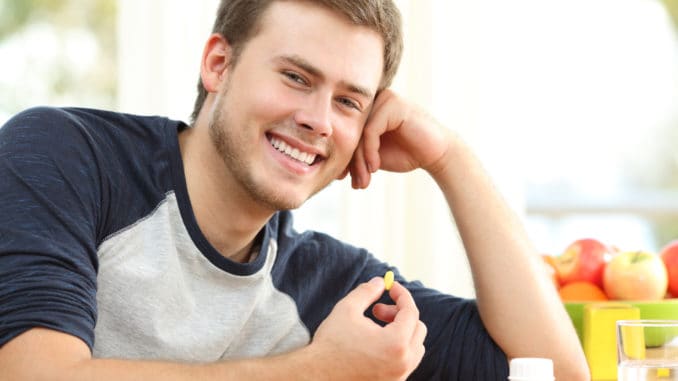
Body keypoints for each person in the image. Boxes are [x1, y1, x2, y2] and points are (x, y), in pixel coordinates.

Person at [0, 1, 589, 380]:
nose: (318, 119)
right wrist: (319, 369)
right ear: (218, 64)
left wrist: (449, 157)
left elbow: (552, 371)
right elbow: (34, 373)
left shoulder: (328, 287)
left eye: (349, 101)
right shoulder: (63, 155)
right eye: (296, 77)